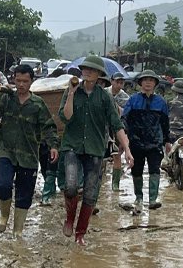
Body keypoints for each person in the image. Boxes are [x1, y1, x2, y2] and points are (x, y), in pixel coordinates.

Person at [58, 55, 133, 245]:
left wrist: (127, 148)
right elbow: (65, 118)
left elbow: (116, 124)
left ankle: (80, 234)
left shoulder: (104, 96)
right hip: (72, 146)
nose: (86, 71)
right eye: (84, 68)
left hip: (95, 148)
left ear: (99, 73)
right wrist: (72, 94)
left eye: (91, 69)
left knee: (91, 193)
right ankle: (69, 219)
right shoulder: (71, 92)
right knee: (71, 185)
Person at [0, 64, 59, 238]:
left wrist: (53, 145)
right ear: (13, 80)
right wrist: (0, 93)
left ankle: (17, 231)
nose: (21, 84)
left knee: (24, 194)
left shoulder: (37, 104)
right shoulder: (6, 98)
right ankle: (4, 215)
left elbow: (48, 126)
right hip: (6, 150)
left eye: (25, 81)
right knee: (3, 185)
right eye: (18, 80)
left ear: (31, 82)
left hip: (29, 155)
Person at [122, 69, 171, 213]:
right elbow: (125, 119)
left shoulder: (160, 102)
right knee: (136, 171)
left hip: (155, 141)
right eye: (145, 80)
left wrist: (167, 140)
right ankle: (138, 198)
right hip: (136, 141)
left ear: (155, 83)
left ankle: (152, 199)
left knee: (154, 170)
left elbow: (165, 123)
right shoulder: (133, 100)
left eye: (151, 80)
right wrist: (124, 138)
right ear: (140, 83)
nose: (148, 82)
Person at [107, 72, 130, 191]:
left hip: (117, 128)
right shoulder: (104, 93)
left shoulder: (125, 98)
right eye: (117, 82)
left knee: (116, 155)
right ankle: (98, 181)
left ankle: (115, 183)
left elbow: (126, 117)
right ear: (112, 81)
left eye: (121, 82)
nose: (119, 84)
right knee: (100, 157)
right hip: (104, 128)